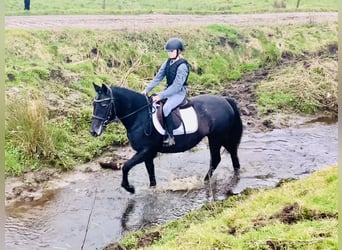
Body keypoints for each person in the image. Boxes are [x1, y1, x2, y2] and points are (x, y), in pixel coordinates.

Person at [143, 37, 190, 146]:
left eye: (172, 51)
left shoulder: (182, 66)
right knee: (152, 102)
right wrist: (147, 90)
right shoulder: (168, 62)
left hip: (178, 92)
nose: (169, 53)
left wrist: (161, 95)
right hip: (169, 90)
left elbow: (177, 86)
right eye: (168, 51)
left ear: (178, 51)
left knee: (166, 108)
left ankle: (171, 136)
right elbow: (158, 77)